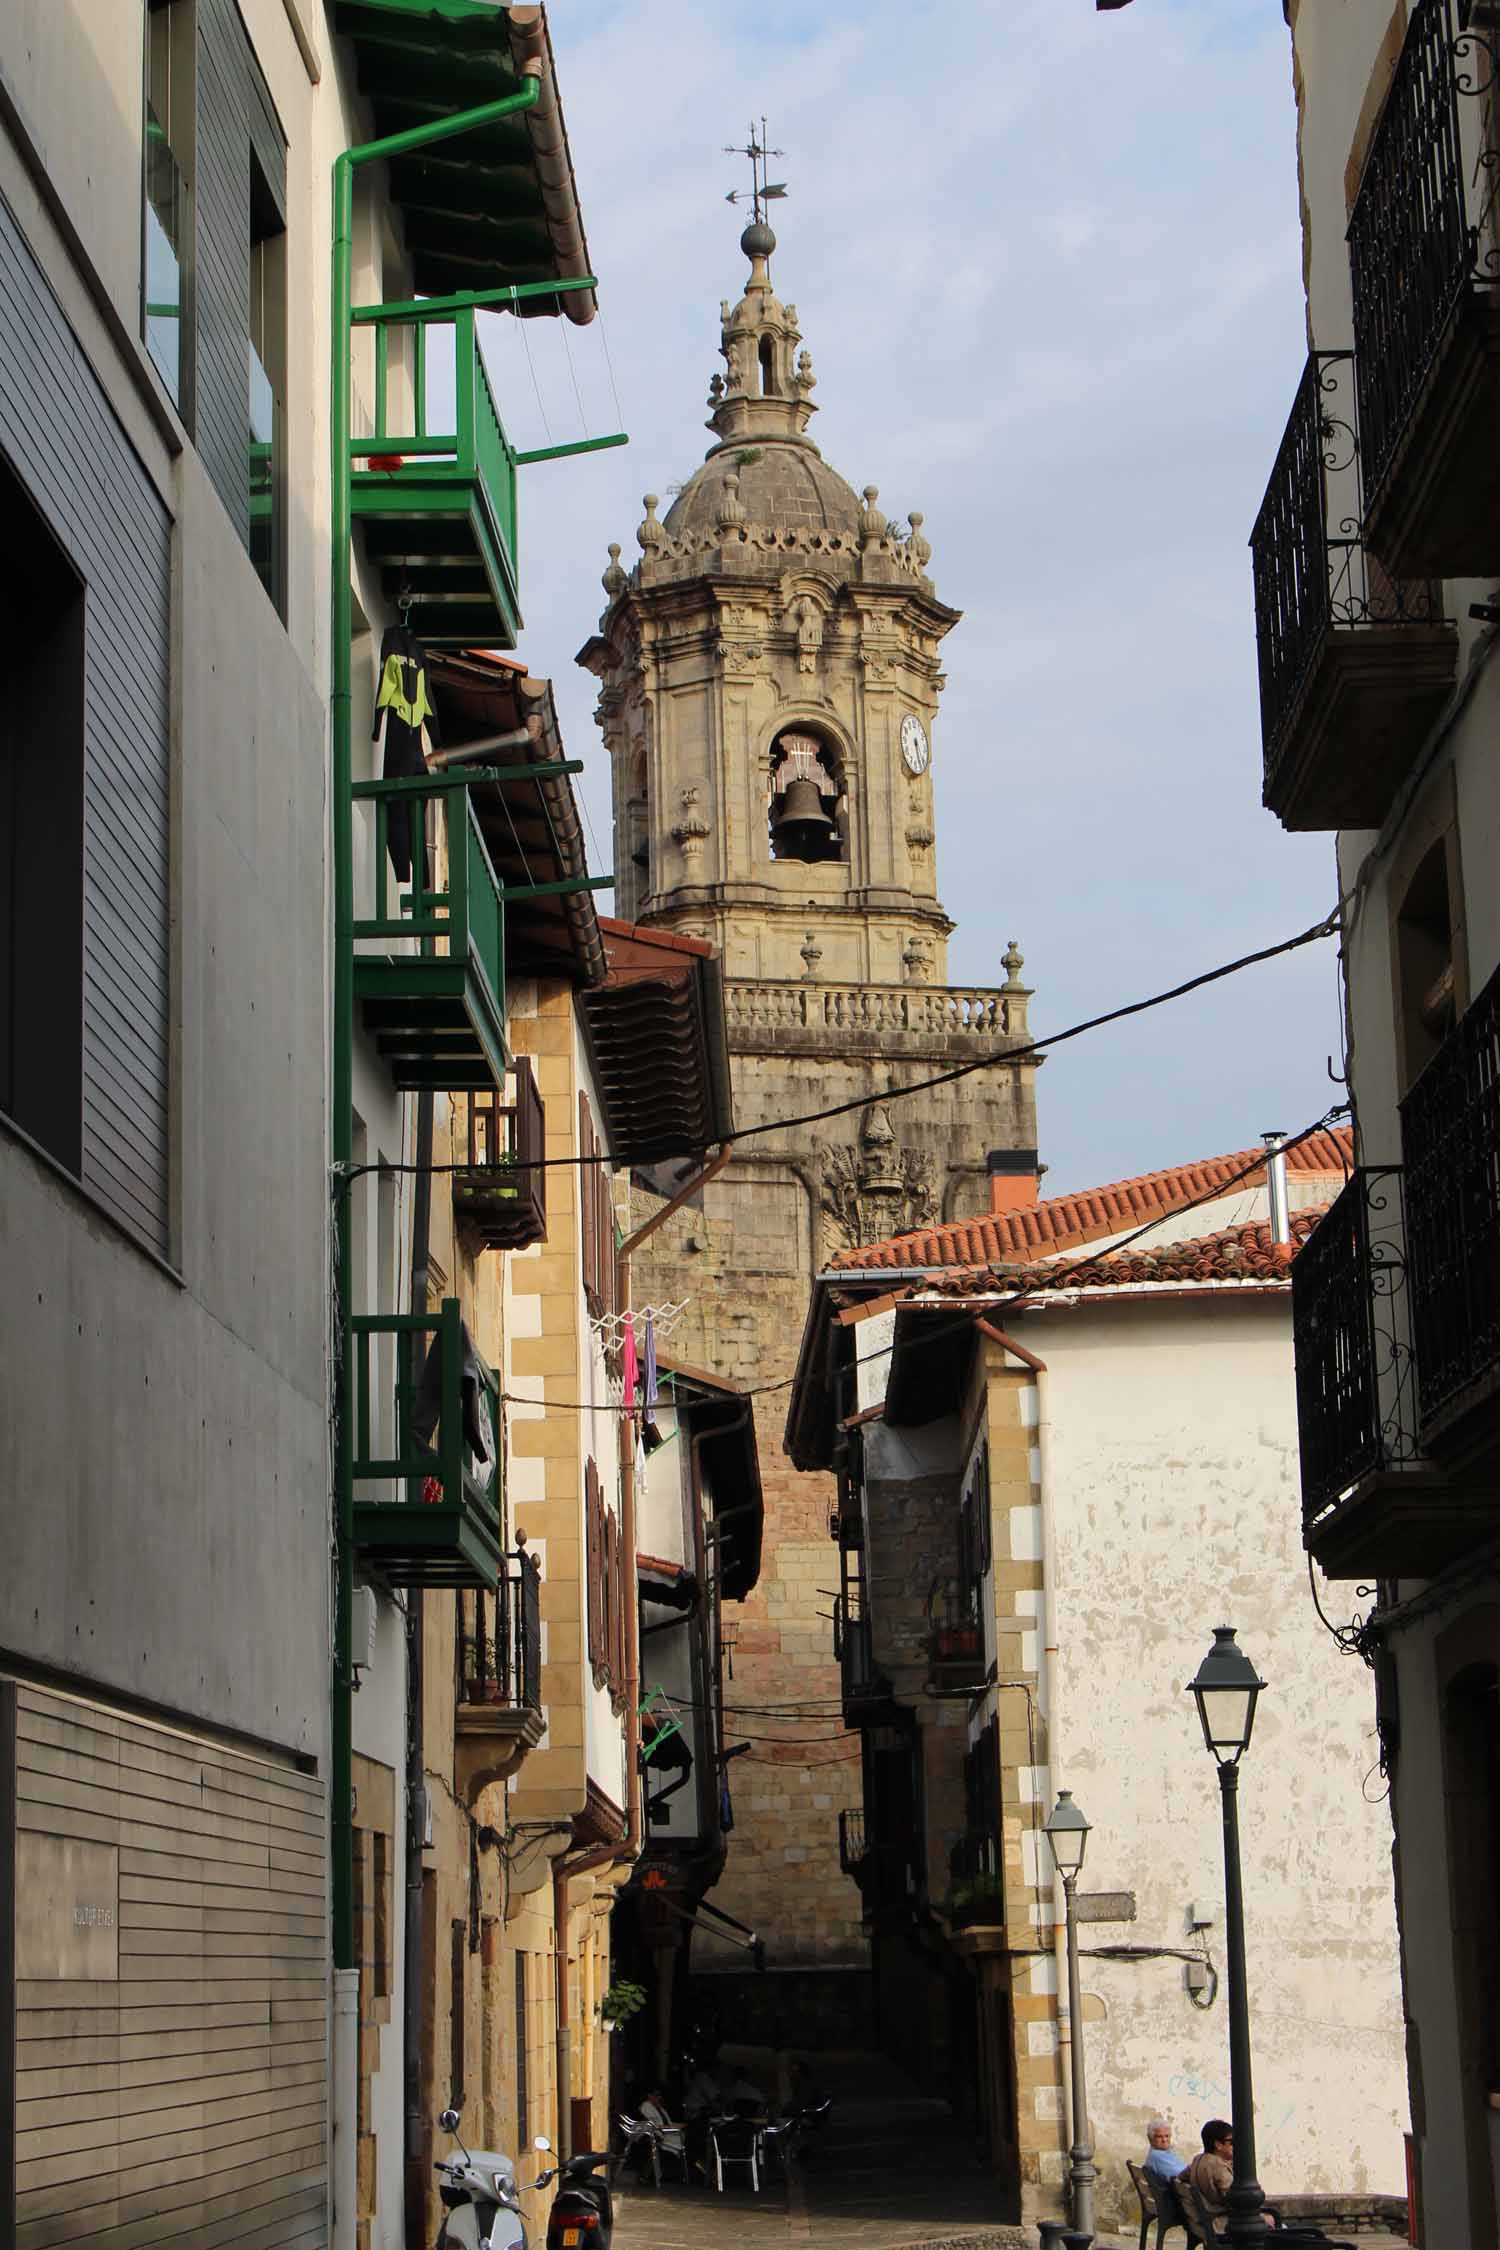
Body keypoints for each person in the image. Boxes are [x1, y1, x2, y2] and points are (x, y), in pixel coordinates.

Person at [1183, 2121, 1276, 2230]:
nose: (1236, 2145)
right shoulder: (1218, 2167)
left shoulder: (1198, 2160)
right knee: (1278, 2224)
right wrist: (1262, 2217)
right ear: (1218, 2145)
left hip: (1207, 2222)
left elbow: (1180, 2178)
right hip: (1225, 2223)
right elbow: (1237, 2199)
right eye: (1232, 2142)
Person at [1142, 2117, 1184, 2191]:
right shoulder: (1157, 2157)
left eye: (1167, 2136)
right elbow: (1181, 2175)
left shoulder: (1162, 2153)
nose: (1164, 2140)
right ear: (1150, 2138)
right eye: (1159, 2137)